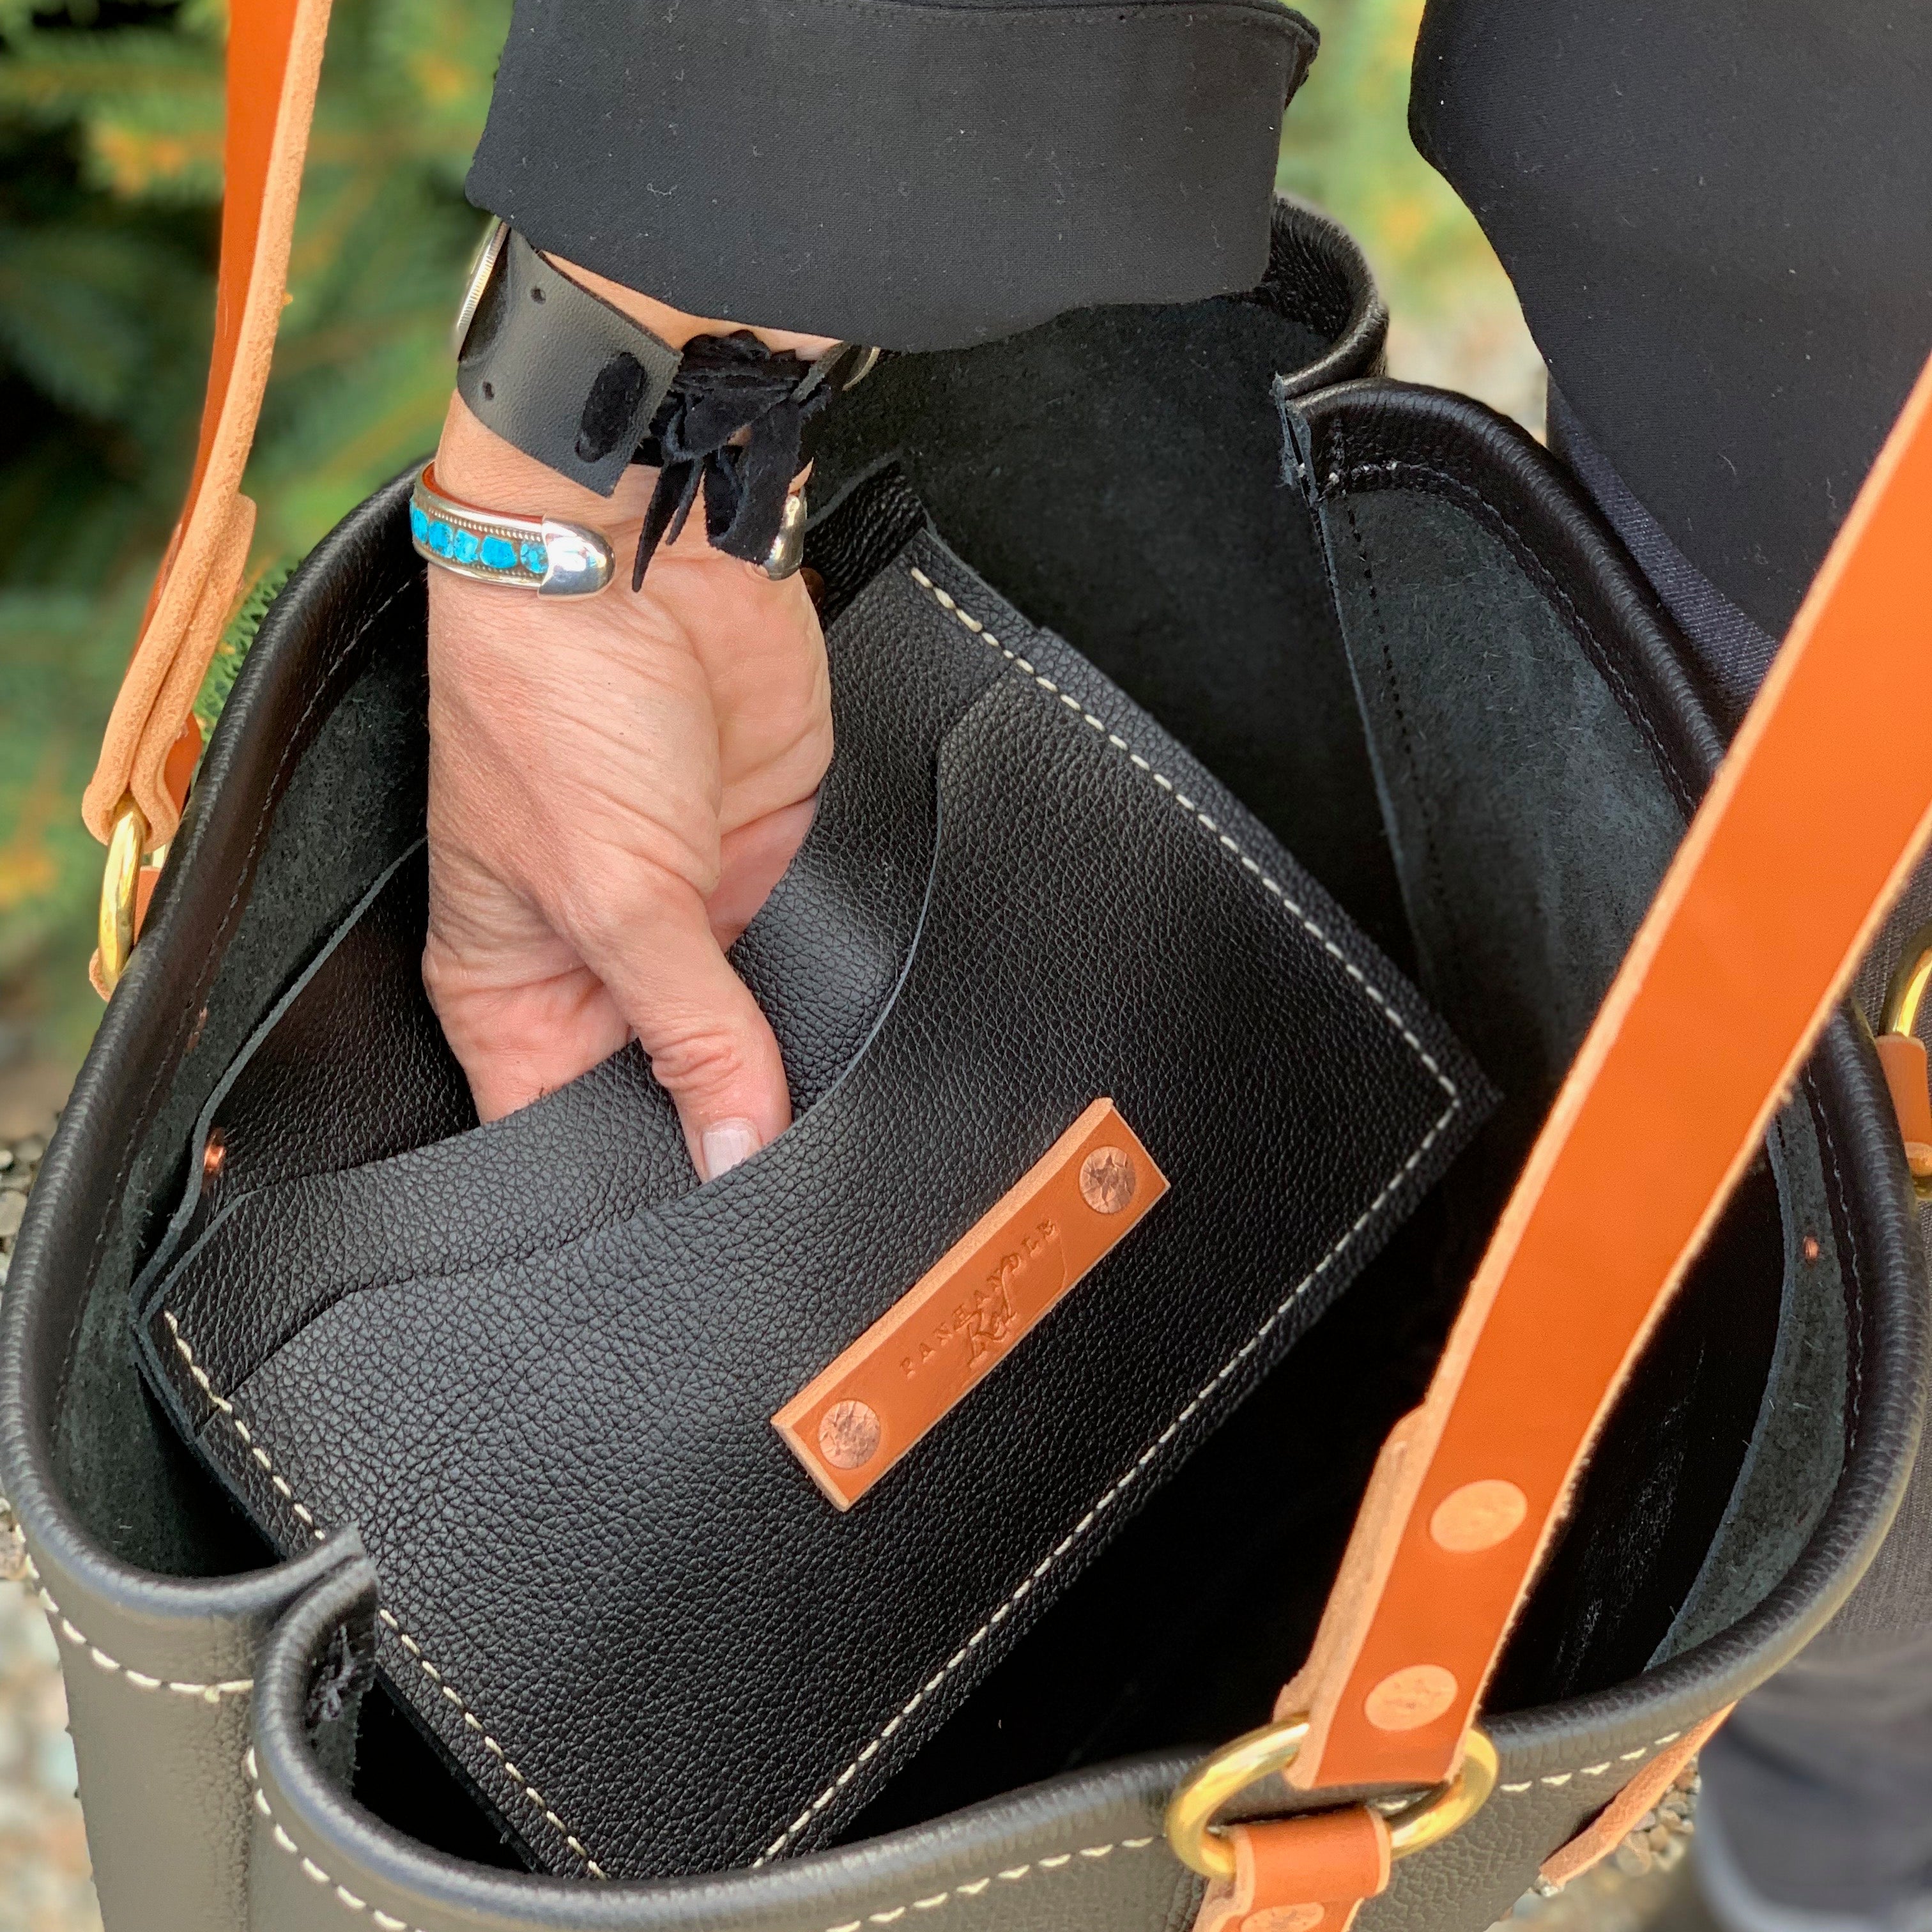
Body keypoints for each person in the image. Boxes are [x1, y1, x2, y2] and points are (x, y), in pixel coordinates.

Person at [421, 1, 1932, 1924]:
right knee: (1825, 1478)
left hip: (1813, 472)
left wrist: (588, 445)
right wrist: (619, 436)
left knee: (1829, 1471)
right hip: (1822, 513)